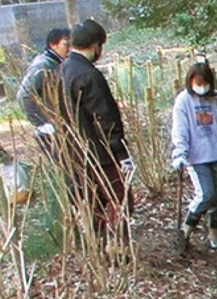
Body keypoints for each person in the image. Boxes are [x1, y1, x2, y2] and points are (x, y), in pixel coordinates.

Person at [60, 19, 132, 243]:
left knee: (93, 205)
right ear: (95, 45)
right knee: (120, 201)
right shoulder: (89, 75)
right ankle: (118, 247)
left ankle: (99, 248)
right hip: (99, 153)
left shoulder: (62, 70)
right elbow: (105, 117)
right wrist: (120, 152)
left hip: (73, 152)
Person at [170, 59, 217, 253]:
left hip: (216, 154)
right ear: (191, 81)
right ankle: (185, 232)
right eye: (198, 83)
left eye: (205, 83)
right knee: (206, 195)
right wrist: (180, 153)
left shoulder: (215, 101)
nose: (202, 87)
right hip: (197, 157)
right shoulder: (184, 101)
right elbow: (180, 129)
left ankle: (214, 236)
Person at [17, 27, 71, 151]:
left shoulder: (56, 63)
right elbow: (24, 95)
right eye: (66, 45)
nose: (69, 49)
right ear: (53, 45)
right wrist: (41, 123)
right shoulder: (43, 65)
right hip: (50, 127)